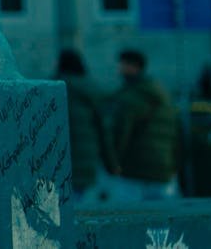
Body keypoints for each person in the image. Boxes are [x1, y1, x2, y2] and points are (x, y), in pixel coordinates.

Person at [107, 49, 180, 200]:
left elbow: (121, 131)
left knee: (130, 217)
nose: (118, 69)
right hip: (163, 169)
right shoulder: (161, 93)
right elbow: (175, 133)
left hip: (135, 170)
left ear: (133, 66)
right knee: (162, 219)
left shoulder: (131, 97)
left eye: (122, 64)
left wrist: (113, 162)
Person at [55, 48, 112, 201]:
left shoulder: (52, 90)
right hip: (87, 159)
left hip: (59, 161)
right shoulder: (91, 90)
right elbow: (103, 130)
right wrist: (111, 163)